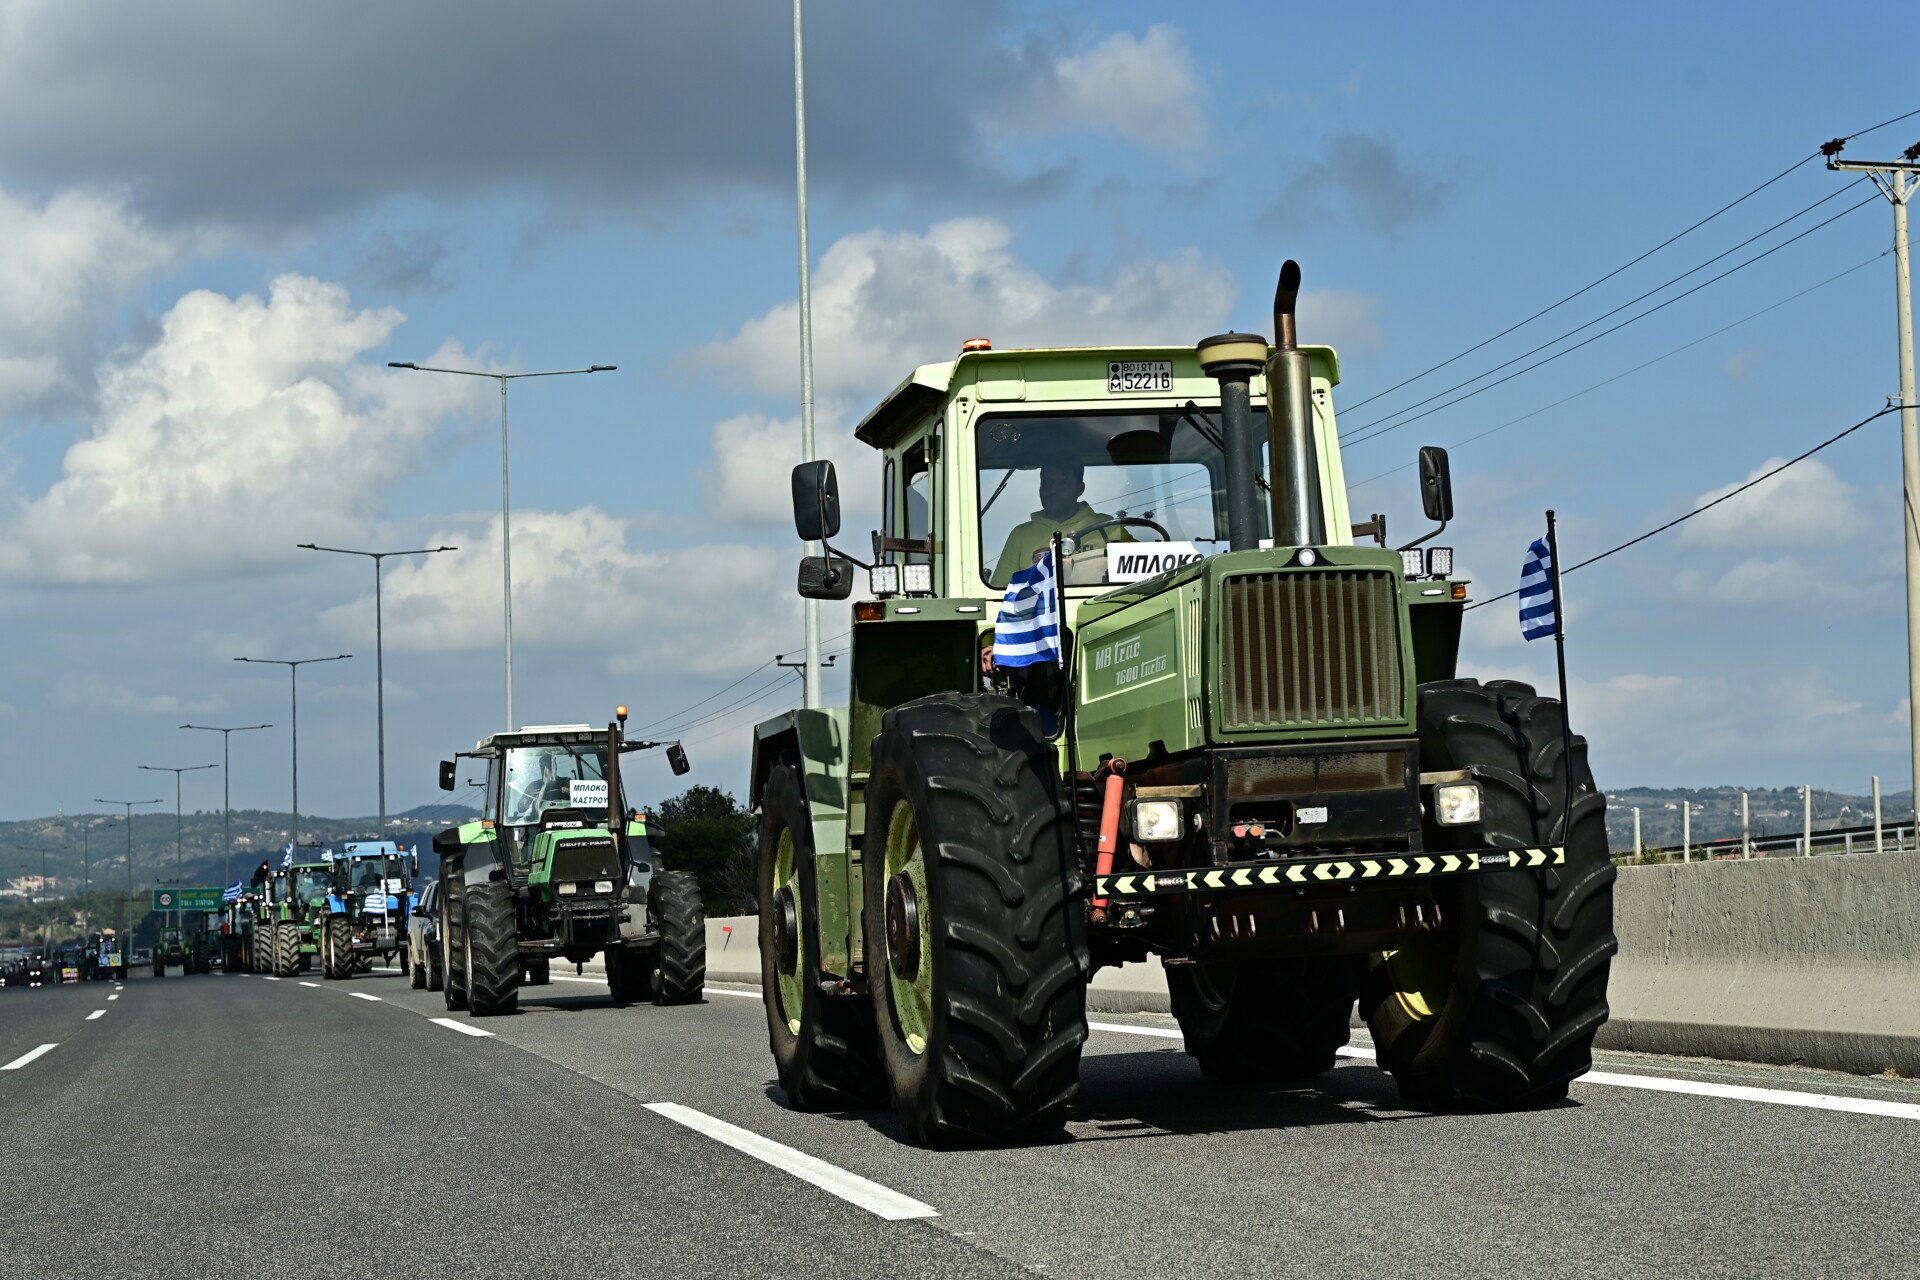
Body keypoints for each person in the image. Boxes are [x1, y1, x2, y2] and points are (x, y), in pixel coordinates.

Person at [990, 460, 1129, 586]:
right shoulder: (1021, 535)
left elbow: (1137, 575)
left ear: (1080, 489)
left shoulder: (1109, 528)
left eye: (1063, 483)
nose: (1053, 490)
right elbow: (1001, 591)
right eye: (1047, 482)